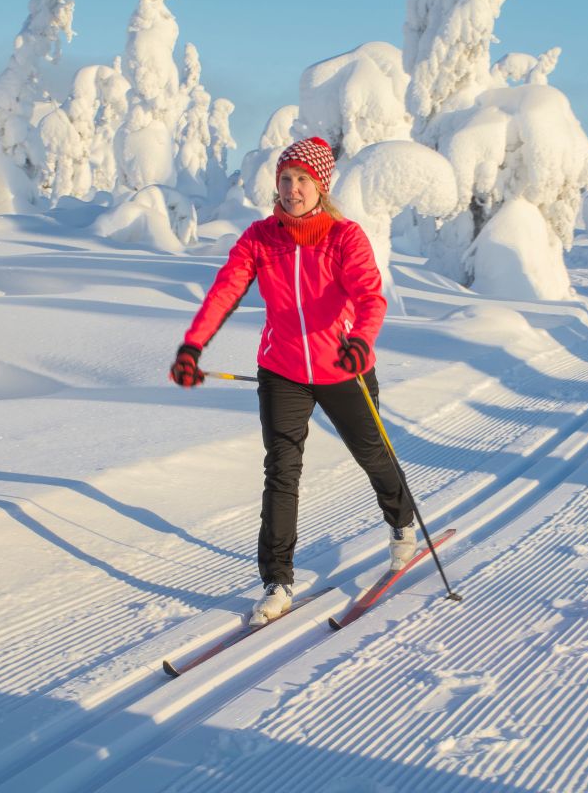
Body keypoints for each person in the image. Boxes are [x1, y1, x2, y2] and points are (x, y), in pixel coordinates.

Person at [169, 136, 416, 624]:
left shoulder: (345, 237)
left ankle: (402, 523)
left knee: (372, 454)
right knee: (282, 470)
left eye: (303, 179)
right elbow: (224, 292)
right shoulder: (261, 238)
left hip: (344, 365)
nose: (292, 188)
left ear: (321, 186)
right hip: (282, 369)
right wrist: (193, 345)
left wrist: (362, 341)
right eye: (285, 179)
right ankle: (277, 580)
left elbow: (370, 297)